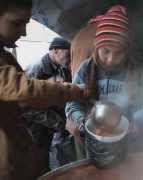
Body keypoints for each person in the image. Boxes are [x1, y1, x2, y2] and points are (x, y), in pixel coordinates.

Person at [0, 0, 89, 179]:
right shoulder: (36, 69)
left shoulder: (5, 56)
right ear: (54, 51)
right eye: (17, 23)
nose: (23, 32)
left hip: (20, 150)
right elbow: (24, 92)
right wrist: (75, 92)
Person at [65, 5, 143, 159]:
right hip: (88, 138)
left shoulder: (134, 72)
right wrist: (79, 120)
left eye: (118, 53)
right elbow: (73, 102)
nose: (111, 59)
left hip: (123, 140)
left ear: (126, 51)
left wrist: (138, 121)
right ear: (97, 47)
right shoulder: (86, 68)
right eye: (106, 51)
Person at [26, 37, 74, 170]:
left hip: (50, 122)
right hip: (36, 125)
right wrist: (56, 121)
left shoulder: (60, 67)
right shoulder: (36, 68)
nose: (70, 58)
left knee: (47, 155)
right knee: (37, 157)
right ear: (55, 51)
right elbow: (27, 105)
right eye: (68, 54)